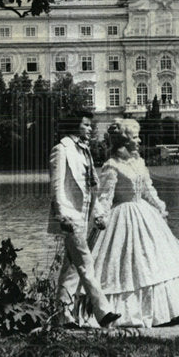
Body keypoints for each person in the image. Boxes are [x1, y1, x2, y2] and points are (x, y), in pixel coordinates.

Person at [90, 118, 179, 328]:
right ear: (123, 140)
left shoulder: (139, 162)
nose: (139, 141)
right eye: (135, 137)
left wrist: (159, 206)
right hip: (123, 217)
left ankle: (170, 311)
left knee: (158, 260)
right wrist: (100, 216)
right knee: (130, 267)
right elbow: (105, 197)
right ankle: (130, 312)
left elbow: (148, 189)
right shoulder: (111, 166)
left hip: (145, 215)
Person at [49, 111, 121, 328]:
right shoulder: (61, 150)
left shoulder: (84, 150)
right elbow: (56, 186)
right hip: (71, 216)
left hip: (86, 216)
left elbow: (91, 188)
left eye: (91, 126)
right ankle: (103, 311)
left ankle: (62, 315)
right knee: (86, 263)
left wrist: (98, 212)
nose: (90, 129)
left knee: (71, 267)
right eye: (86, 125)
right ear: (75, 126)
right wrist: (62, 214)